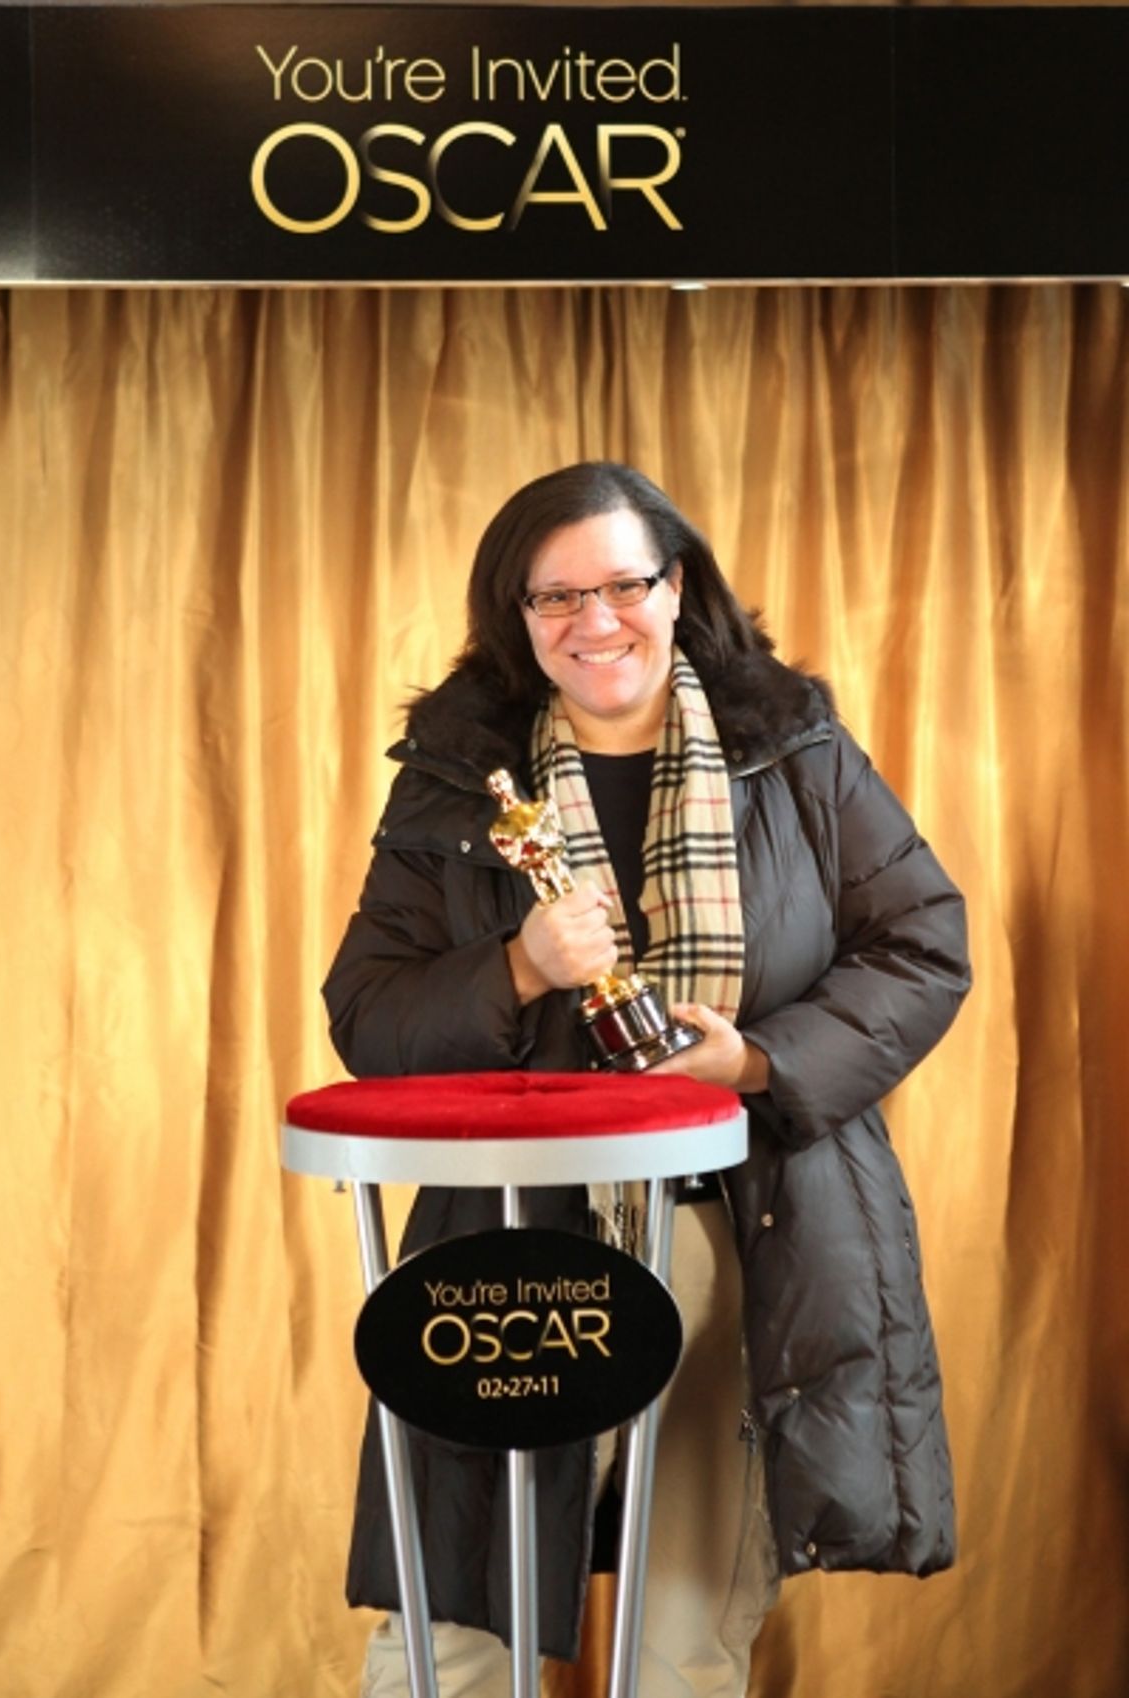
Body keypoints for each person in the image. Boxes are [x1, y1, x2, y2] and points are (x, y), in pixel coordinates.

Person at [325, 462, 971, 1698]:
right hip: (513, 1243)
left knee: (682, 1646)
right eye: (556, 596)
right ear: (517, 615)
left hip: (743, 1231)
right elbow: (366, 1010)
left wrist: (758, 1060)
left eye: (624, 584)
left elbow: (922, 944)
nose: (596, 620)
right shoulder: (461, 777)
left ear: (678, 587)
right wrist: (518, 966)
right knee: (454, 1637)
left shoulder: (796, 754)